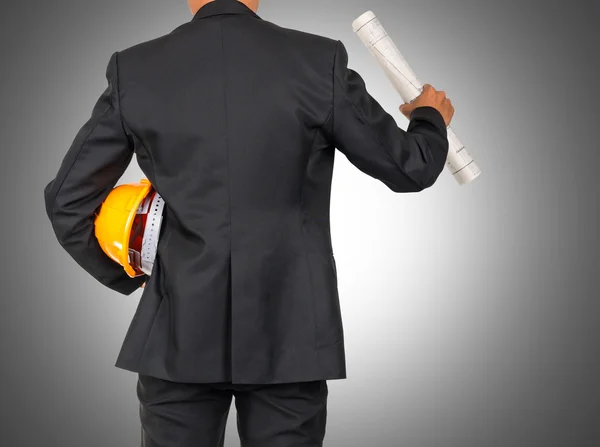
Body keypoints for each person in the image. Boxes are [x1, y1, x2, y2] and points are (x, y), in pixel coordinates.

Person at [42, 0, 454, 445]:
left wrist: (133, 276)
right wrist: (429, 119)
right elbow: (410, 169)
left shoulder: (135, 69)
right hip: (291, 338)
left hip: (176, 336)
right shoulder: (317, 60)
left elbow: (67, 201)